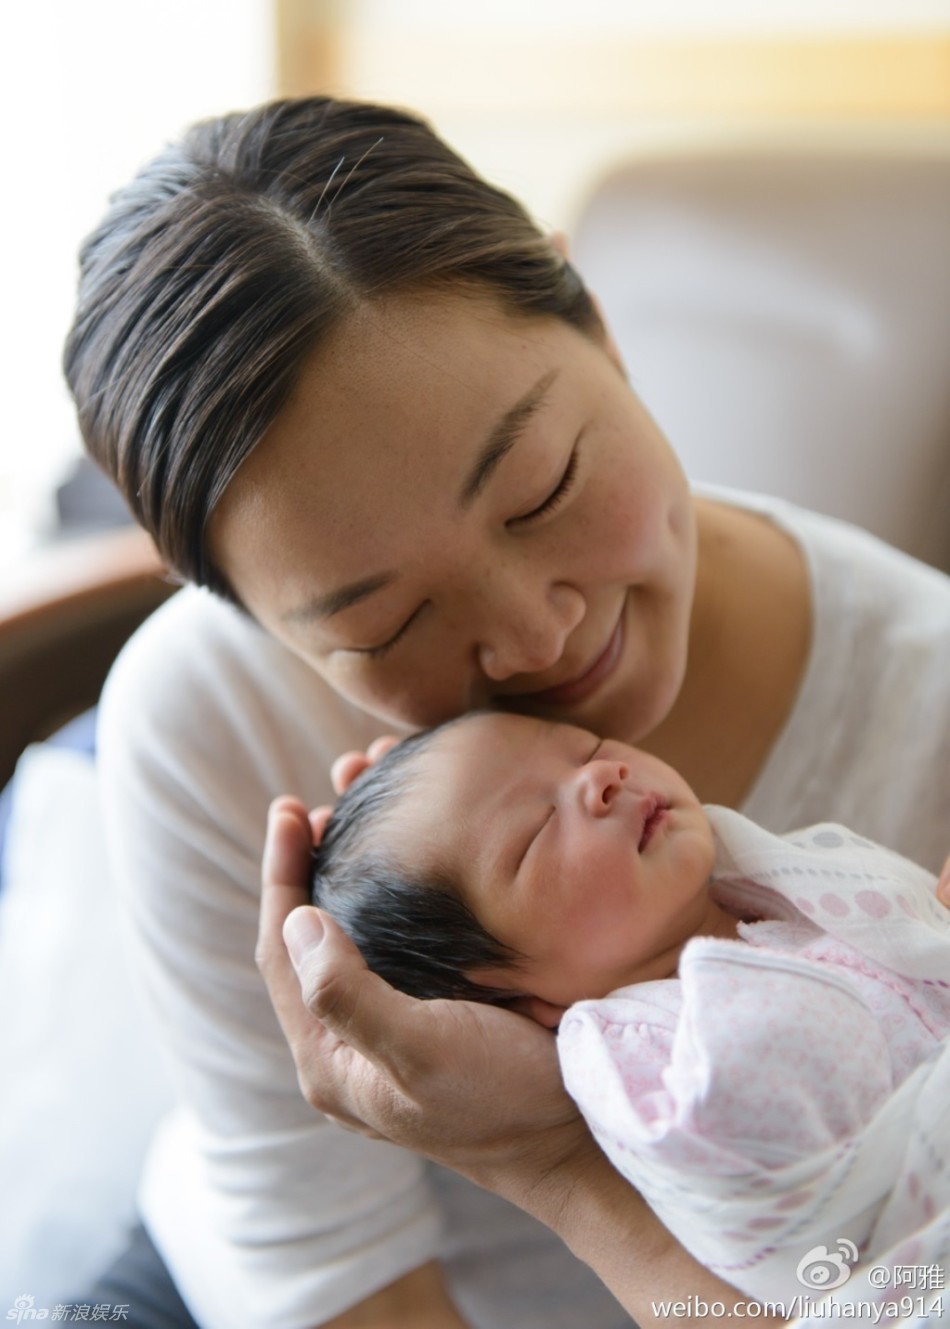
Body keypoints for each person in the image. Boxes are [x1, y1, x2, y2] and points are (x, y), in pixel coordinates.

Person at [62, 92, 950, 1327]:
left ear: (597, 326)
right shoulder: (209, 713)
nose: (538, 638)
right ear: (257, 623)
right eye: (379, 627)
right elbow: (329, 1273)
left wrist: (551, 1166)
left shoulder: (926, 700)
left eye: (539, 490)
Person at [308, 708, 950, 1303]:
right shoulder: (628, 1046)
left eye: (584, 747)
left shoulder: (767, 895)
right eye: (535, 834)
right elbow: (760, 1125)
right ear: (517, 998)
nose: (601, 778)